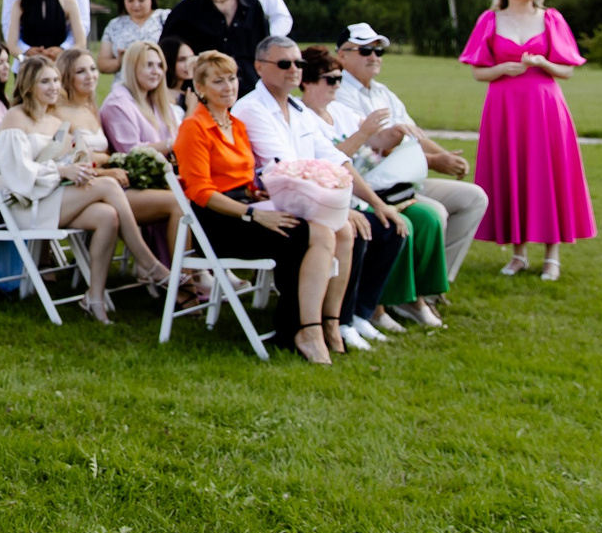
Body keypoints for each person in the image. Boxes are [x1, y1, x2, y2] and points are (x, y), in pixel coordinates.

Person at [234, 37, 401, 353]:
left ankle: (332, 322)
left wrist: (369, 203)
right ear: (259, 67)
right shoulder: (252, 109)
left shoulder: (297, 109)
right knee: (339, 227)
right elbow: (285, 168)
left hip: (299, 197)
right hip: (269, 201)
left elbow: (333, 157)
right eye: (284, 64)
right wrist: (338, 205)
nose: (294, 70)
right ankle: (310, 328)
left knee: (349, 229)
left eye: (298, 64)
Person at [170, 51, 335, 366]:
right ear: (200, 88)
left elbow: (245, 178)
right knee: (297, 236)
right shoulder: (194, 127)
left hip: (246, 206)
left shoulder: (235, 124)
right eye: (218, 81)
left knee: (322, 233)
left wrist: (258, 197)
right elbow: (200, 191)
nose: (229, 86)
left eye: (231, 78)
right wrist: (253, 213)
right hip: (218, 221)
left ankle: (308, 327)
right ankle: (297, 330)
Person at [0, 55, 171, 320]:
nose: (54, 86)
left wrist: (79, 168)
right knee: (109, 187)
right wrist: (61, 171)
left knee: (108, 216)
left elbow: (76, 159)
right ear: (29, 85)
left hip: (54, 197)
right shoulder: (15, 117)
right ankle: (148, 263)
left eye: (56, 80)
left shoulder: (56, 122)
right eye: (45, 81)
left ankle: (94, 297)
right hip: (26, 204)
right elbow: (18, 173)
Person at [335, 22, 487, 312]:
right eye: (365, 49)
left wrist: (445, 157)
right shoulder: (340, 92)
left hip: (407, 178)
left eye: (378, 50)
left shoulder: (382, 92)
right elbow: (372, 149)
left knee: (474, 198)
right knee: (435, 214)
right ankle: (401, 294)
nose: (374, 56)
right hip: (372, 185)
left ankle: (431, 287)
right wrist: (435, 161)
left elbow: (415, 134)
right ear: (342, 55)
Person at [302, 45, 451, 334]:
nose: (336, 85)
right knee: (393, 225)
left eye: (338, 79)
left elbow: (376, 140)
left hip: (368, 190)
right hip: (335, 197)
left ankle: (404, 300)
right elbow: (332, 161)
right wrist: (365, 134)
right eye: (329, 79)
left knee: (425, 219)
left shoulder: (340, 110)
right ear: (306, 82)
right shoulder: (304, 117)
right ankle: (369, 310)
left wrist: (394, 134)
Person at [462, 0, 595, 281]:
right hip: (504, 106)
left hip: (545, 106)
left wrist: (542, 62)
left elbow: (568, 70)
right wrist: (503, 69)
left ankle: (552, 256)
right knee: (512, 170)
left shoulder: (551, 19)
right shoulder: (490, 20)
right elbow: (479, 72)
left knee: (548, 172)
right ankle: (518, 254)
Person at [158, 0, 273, 95]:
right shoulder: (185, 12)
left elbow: (265, 51)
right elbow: (167, 56)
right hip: (204, 97)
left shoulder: (253, 6)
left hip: (250, 94)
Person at [100, 40, 182, 153]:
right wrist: (169, 144)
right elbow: (131, 152)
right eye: (149, 65)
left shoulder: (158, 101)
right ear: (132, 68)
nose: (156, 71)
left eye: (159, 66)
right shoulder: (116, 105)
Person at [94, 0, 166, 74]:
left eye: (141, 0)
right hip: (125, 84)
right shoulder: (115, 25)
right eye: (130, 0)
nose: (136, 5)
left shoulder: (164, 18)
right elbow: (102, 64)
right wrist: (119, 62)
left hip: (159, 81)